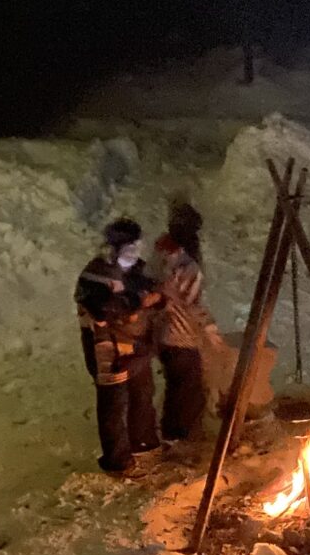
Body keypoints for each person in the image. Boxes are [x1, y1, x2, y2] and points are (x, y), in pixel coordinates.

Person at [76, 219, 162, 473]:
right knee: (114, 405)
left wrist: (156, 298)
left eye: (136, 247)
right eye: (128, 249)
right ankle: (118, 461)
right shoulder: (95, 275)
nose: (133, 254)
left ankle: (145, 445)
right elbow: (103, 310)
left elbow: (153, 288)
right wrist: (138, 303)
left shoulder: (137, 269)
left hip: (136, 346)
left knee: (143, 396)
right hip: (109, 350)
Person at [153, 199, 220, 443]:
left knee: (176, 386)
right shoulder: (186, 267)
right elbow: (192, 305)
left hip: (162, 336)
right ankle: (180, 438)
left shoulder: (159, 258)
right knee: (187, 389)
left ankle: (173, 433)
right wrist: (210, 330)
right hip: (180, 336)